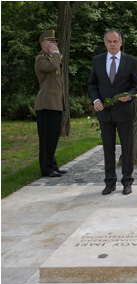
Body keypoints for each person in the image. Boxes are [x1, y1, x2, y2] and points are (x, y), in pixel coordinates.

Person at [88, 30, 137, 195]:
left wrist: (129, 96)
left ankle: (127, 182)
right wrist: (95, 100)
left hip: (124, 112)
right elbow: (92, 84)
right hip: (104, 112)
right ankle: (109, 182)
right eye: (109, 41)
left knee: (127, 148)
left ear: (121, 43)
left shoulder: (131, 61)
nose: (112, 44)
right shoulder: (97, 61)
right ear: (105, 43)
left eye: (115, 41)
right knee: (108, 148)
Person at [34, 30, 66, 178]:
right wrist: (55, 53)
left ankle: (52, 165)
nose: (55, 44)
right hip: (46, 104)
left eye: (55, 42)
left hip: (55, 103)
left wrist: (54, 54)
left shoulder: (51, 58)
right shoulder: (41, 59)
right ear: (44, 44)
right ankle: (46, 169)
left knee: (52, 137)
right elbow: (53, 67)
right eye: (52, 42)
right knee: (46, 138)